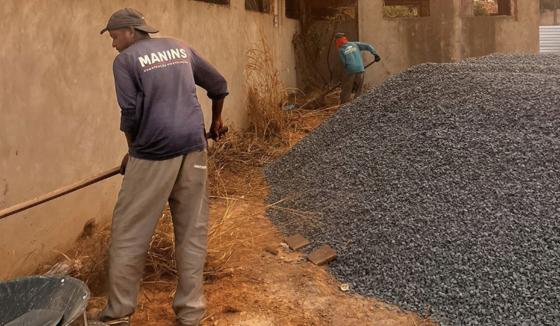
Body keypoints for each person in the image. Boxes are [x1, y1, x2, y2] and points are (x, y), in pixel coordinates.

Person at [98, 8, 228, 326]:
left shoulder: (125, 61)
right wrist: (217, 120)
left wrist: (135, 152)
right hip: (194, 147)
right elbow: (219, 84)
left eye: (114, 37)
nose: (113, 45)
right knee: (192, 231)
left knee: (129, 233)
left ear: (130, 32)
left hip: (154, 151)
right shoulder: (180, 47)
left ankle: (117, 314)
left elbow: (129, 114)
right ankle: (191, 313)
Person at [335, 33, 381, 104]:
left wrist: (345, 76)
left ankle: (343, 106)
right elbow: (368, 46)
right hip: (360, 69)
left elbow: (344, 63)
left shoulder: (340, 49)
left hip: (350, 70)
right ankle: (358, 105)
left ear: (337, 41)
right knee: (359, 89)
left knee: (346, 89)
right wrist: (375, 54)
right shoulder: (354, 44)